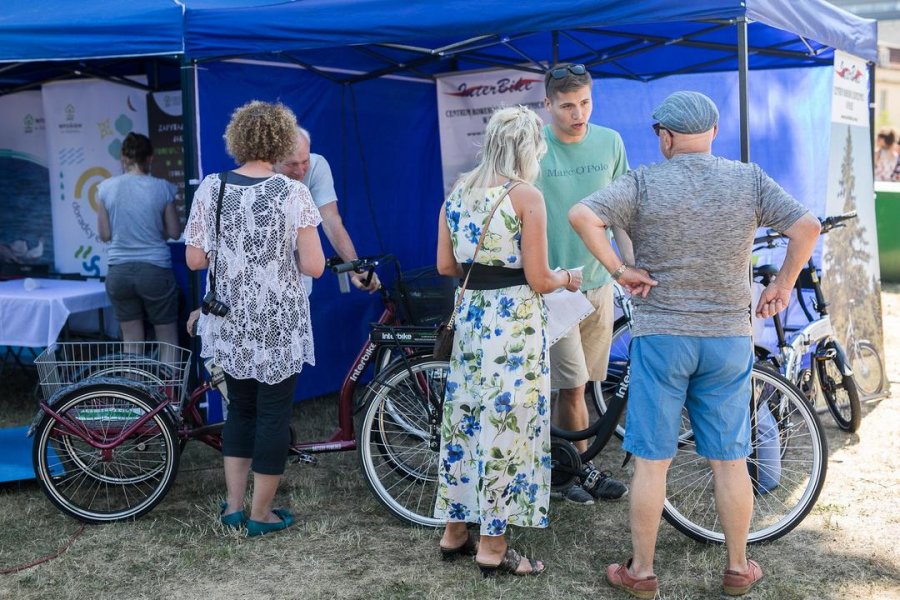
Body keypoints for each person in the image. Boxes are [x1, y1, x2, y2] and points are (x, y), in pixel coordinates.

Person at [569, 91, 821, 598]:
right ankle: (737, 567)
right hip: (728, 336)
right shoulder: (747, 179)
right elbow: (807, 227)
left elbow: (582, 215)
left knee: (652, 460)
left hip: (663, 334)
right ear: (713, 132)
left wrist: (621, 271)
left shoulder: (642, 181)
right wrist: (783, 284)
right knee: (729, 460)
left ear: (665, 136)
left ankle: (641, 572)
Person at [434, 106, 582, 576]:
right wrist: (568, 278)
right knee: (507, 427)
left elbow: (444, 266)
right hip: (513, 326)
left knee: (465, 422)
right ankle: (494, 547)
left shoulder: (458, 191)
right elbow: (539, 278)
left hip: (472, 320)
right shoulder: (526, 196)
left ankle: (455, 531)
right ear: (527, 149)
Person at [184, 101, 325, 537]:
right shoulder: (292, 193)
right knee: (273, 415)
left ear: (236, 139)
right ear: (282, 142)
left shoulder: (212, 188)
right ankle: (261, 515)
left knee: (240, 410)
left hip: (229, 322)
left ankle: (232, 506)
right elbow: (315, 266)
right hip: (277, 321)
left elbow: (194, 259)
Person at [537, 63, 629, 504]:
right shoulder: (534, 148)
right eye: (568, 106)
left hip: (599, 283)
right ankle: (579, 473)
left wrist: (627, 270)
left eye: (586, 103)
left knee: (587, 383)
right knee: (572, 385)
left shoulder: (610, 141)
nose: (579, 114)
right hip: (553, 287)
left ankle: (563, 466)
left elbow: (622, 215)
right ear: (548, 105)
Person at [97, 132, 181, 361]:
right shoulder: (162, 188)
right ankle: (168, 395)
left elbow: (104, 235)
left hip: (119, 271)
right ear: (151, 158)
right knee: (167, 338)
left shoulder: (105, 188)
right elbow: (175, 232)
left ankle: (133, 395)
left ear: (123, 158)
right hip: (155, 270)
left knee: (131, 342)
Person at [276, 126, 380, 293]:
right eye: (291, 164)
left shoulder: (317, 165)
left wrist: (355, 268)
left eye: (305, 162)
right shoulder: (258, 175)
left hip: (299, 278)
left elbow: (331, 221)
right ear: (272, 159)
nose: (300, 171)